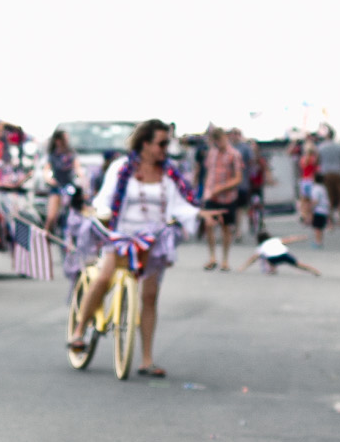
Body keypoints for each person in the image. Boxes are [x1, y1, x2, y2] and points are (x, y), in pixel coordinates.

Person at [69, 119, 201, 377]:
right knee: (104, 277)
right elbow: (105, 198)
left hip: (153, 241)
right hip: (121, 237)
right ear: (145, 144)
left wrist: (200, 214)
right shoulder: (122, 168)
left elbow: (179, 205)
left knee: (150, 297)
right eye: (162, 143)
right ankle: (78, 331)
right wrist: (102, 215)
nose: (166, 148)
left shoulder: (169, 173)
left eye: (167, 143)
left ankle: (147, 360)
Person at [200, 124, 243, 271]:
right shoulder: (212, 153)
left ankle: (225, 260)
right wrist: (207, 191)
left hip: (227, 197)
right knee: (209, 225)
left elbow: (238, 178)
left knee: (226, 228)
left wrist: (221, 188)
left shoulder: (234, 154)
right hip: (211, 195)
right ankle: (212, 257)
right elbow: (209, 173)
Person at [44, 128, 84, 238]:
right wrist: (49, 179)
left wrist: (81, 178)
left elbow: (78, 168)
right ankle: (45, 235)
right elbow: (46, 169)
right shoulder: (53, 155)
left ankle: (73, 236)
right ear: (58, 140)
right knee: (51, 216)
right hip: (56, 186)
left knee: (74, 212)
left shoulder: (71, 154)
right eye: (64, 139)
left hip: (69, 186)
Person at [238, 234, 320, 277]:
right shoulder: (275, 240)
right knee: (298, 264)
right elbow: (289, 240)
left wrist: (243, 267)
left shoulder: (261, 246)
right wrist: (301, 238)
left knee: (264, 257)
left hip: (272, 258)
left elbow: (253, 258)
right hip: (284, 254)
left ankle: (272, 269)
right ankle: (314, 270)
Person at [316, 125, 340, 228]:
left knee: (329, 197)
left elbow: (318, 161)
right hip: (339, 173)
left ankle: (330, 220)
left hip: (326, 174)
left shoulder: (321, 147)